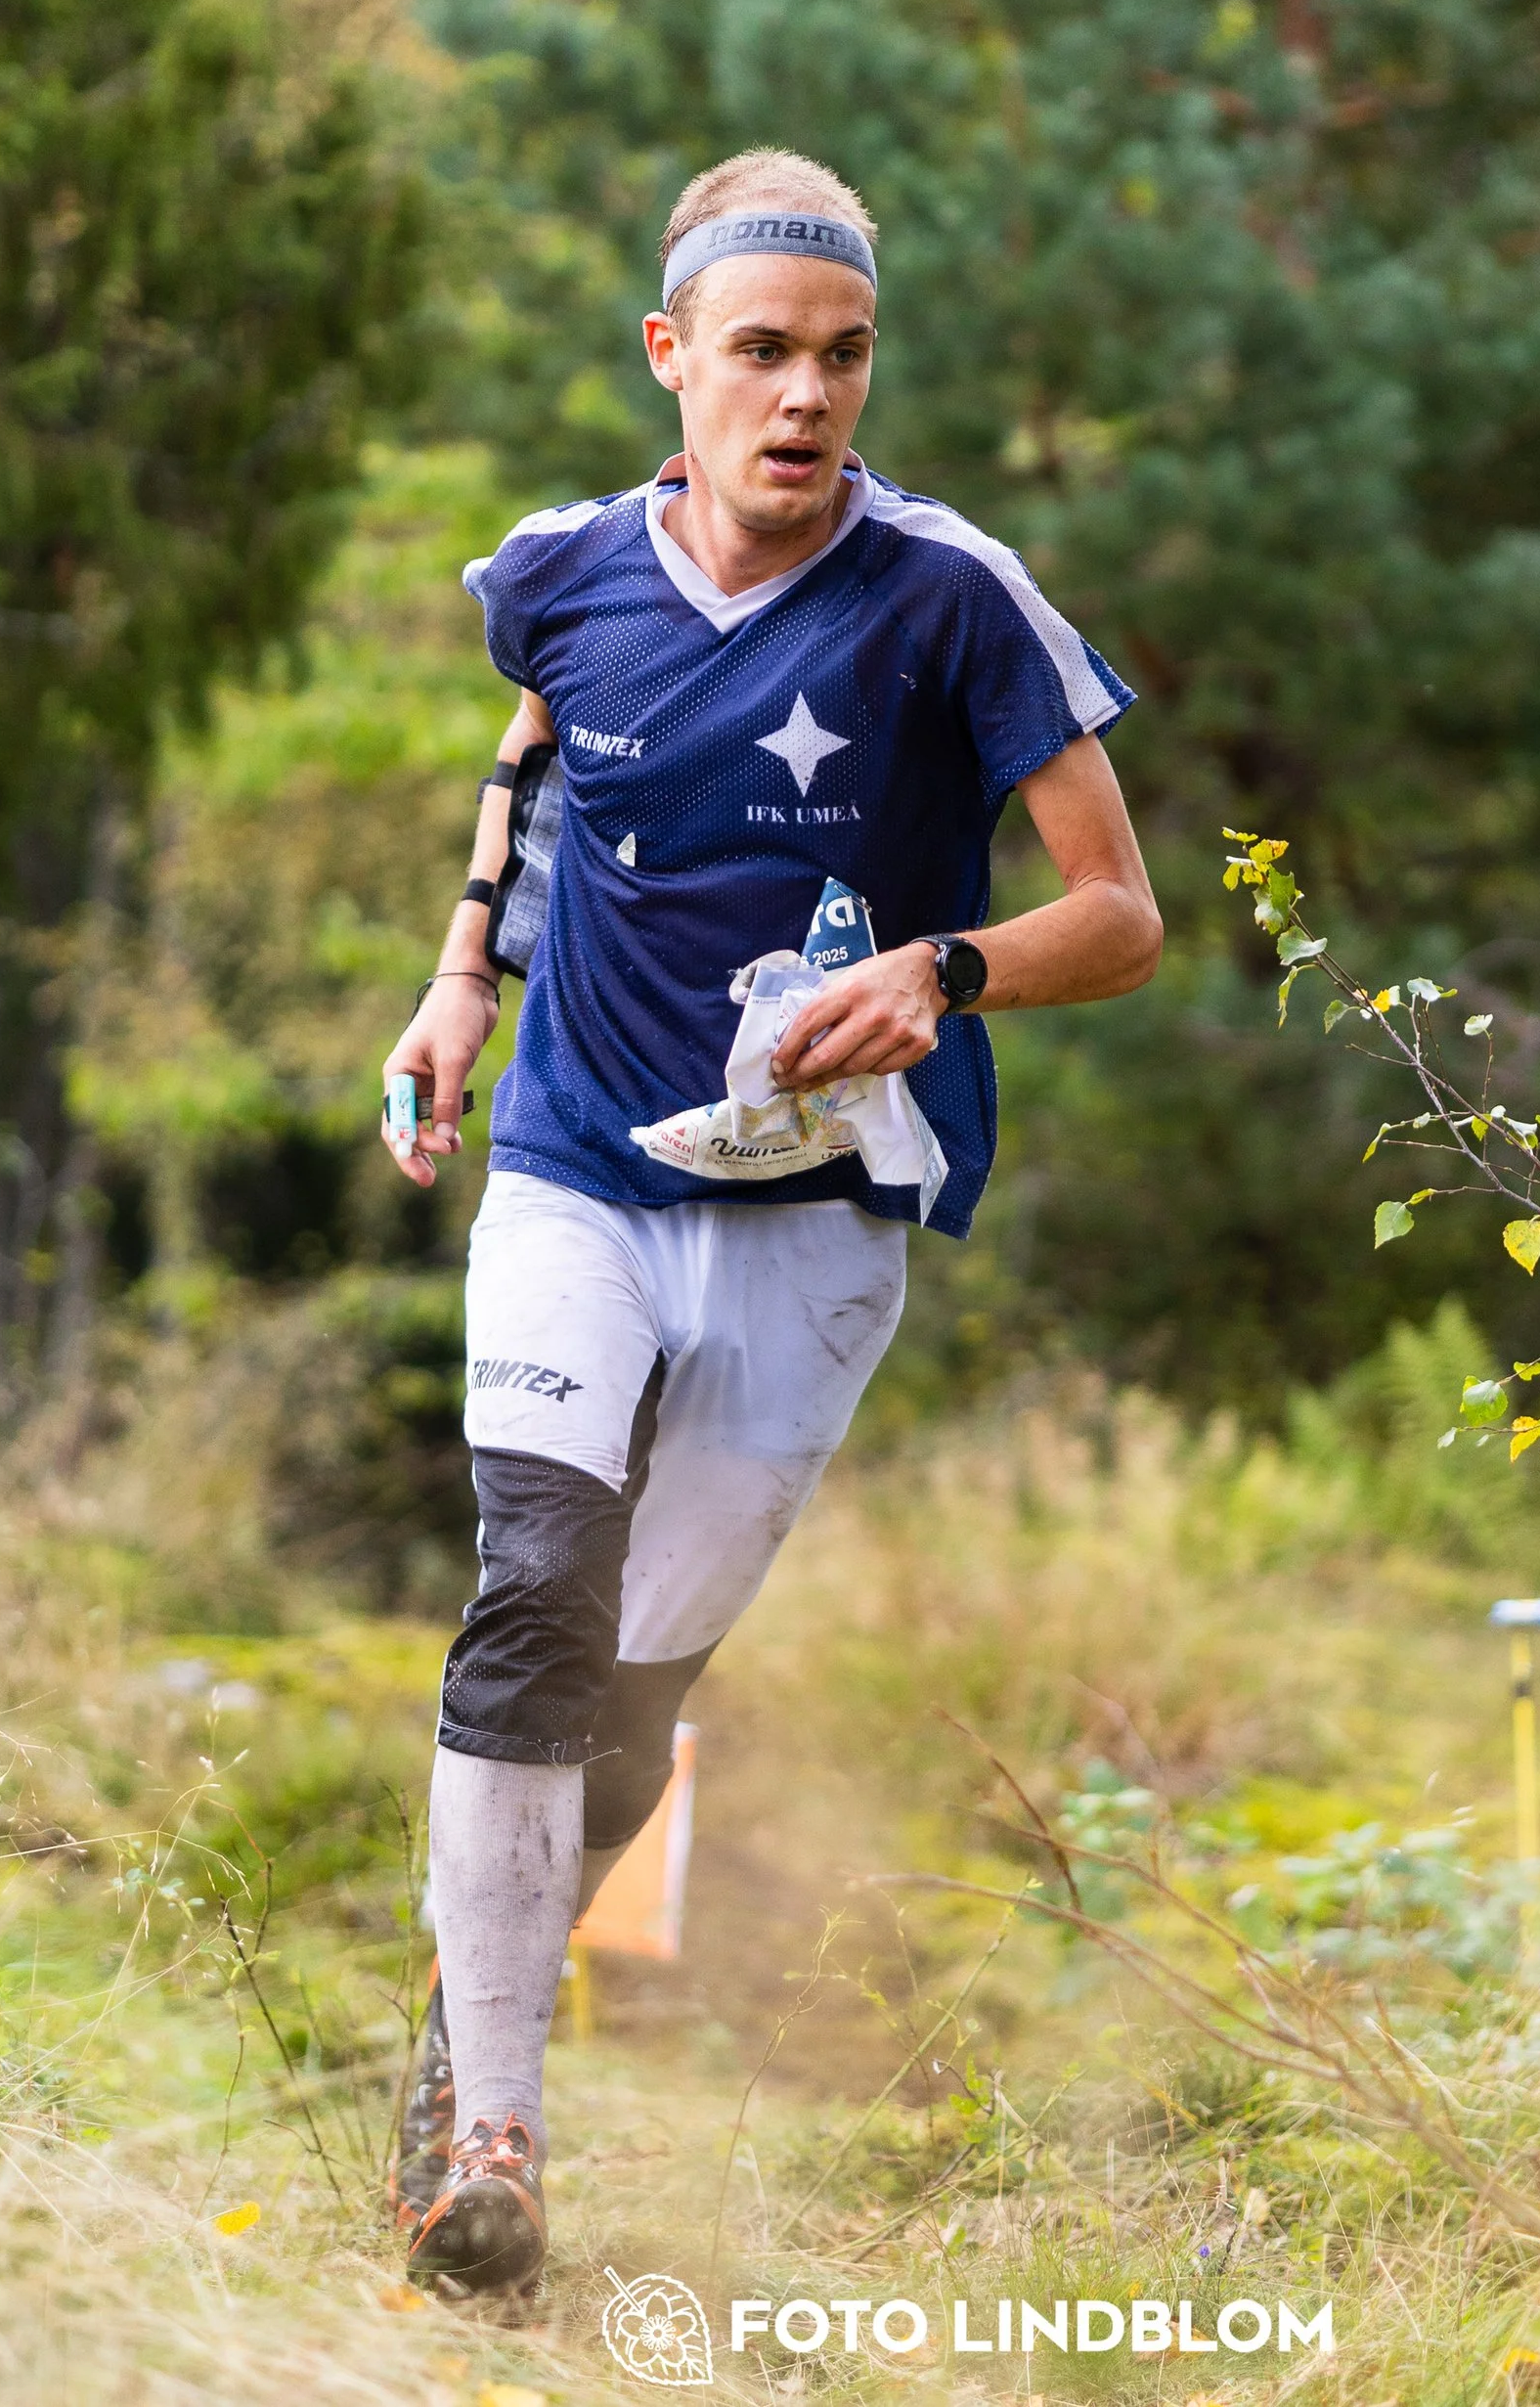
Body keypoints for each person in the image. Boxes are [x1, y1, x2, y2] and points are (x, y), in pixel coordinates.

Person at [377, 148, 1162, 2295]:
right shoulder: (558, 569)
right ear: (673, 356)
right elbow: (544, 741)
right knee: (536, 1592)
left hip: (819, 1211)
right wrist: (462, 970)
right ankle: (491, 2131)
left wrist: (948, 971)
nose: (803, 396)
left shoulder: (952, 596)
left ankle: (460, 2004)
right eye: (760, 352)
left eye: (842, 355)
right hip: (574, 1169)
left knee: (633, 1695)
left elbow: (1122, 914)